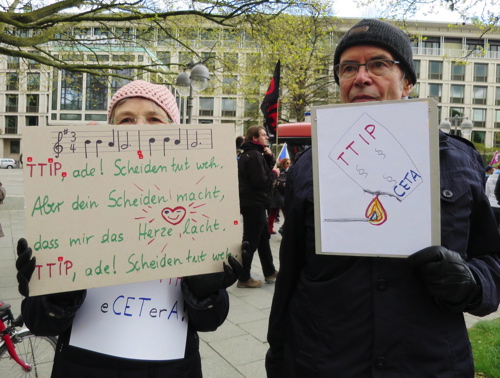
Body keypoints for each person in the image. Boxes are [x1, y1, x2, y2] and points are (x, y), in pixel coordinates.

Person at [266, 19, 500, 377]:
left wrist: (471, 281)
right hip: (325, 363)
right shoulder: (307, 168)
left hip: (429, 363)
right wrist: (278, 358)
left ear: (407, 81)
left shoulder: (459, 161)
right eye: (348, 68)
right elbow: (290, 277)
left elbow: (492, 259)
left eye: (378, 64)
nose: (361, 77)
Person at [15, 80, 245, 378]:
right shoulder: (69, 203)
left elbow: (211, 320)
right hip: (83, 368)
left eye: (154, 119)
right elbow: (39, 322)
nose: (139, 129)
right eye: (126, 119)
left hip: (171, 368)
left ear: (175, 131)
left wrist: (206, 291)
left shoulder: (197, 204)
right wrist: (55, 293)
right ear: (108, 130)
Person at [237, 125, 279, 288]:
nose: (267, 137)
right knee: (251, 241)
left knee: (263, 239)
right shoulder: (254, 155)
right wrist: (275, 174)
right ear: (255, 138)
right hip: (254, 203)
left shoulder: (252, 154)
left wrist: (269, 158)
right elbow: (260, 181)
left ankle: (269, 271)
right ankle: (243, 277)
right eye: (263, 135)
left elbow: (262, 173)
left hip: (254, 203)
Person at [267, 158, 290, 234]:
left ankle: (272, 229)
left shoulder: (288, 172)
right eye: (287, 163)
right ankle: (270, 229)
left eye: (289, 163)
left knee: (281, 214)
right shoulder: (279, 171)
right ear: (283, 163)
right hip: (278, 195)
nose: (288, 165)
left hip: (281, 195)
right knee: (273, 213)